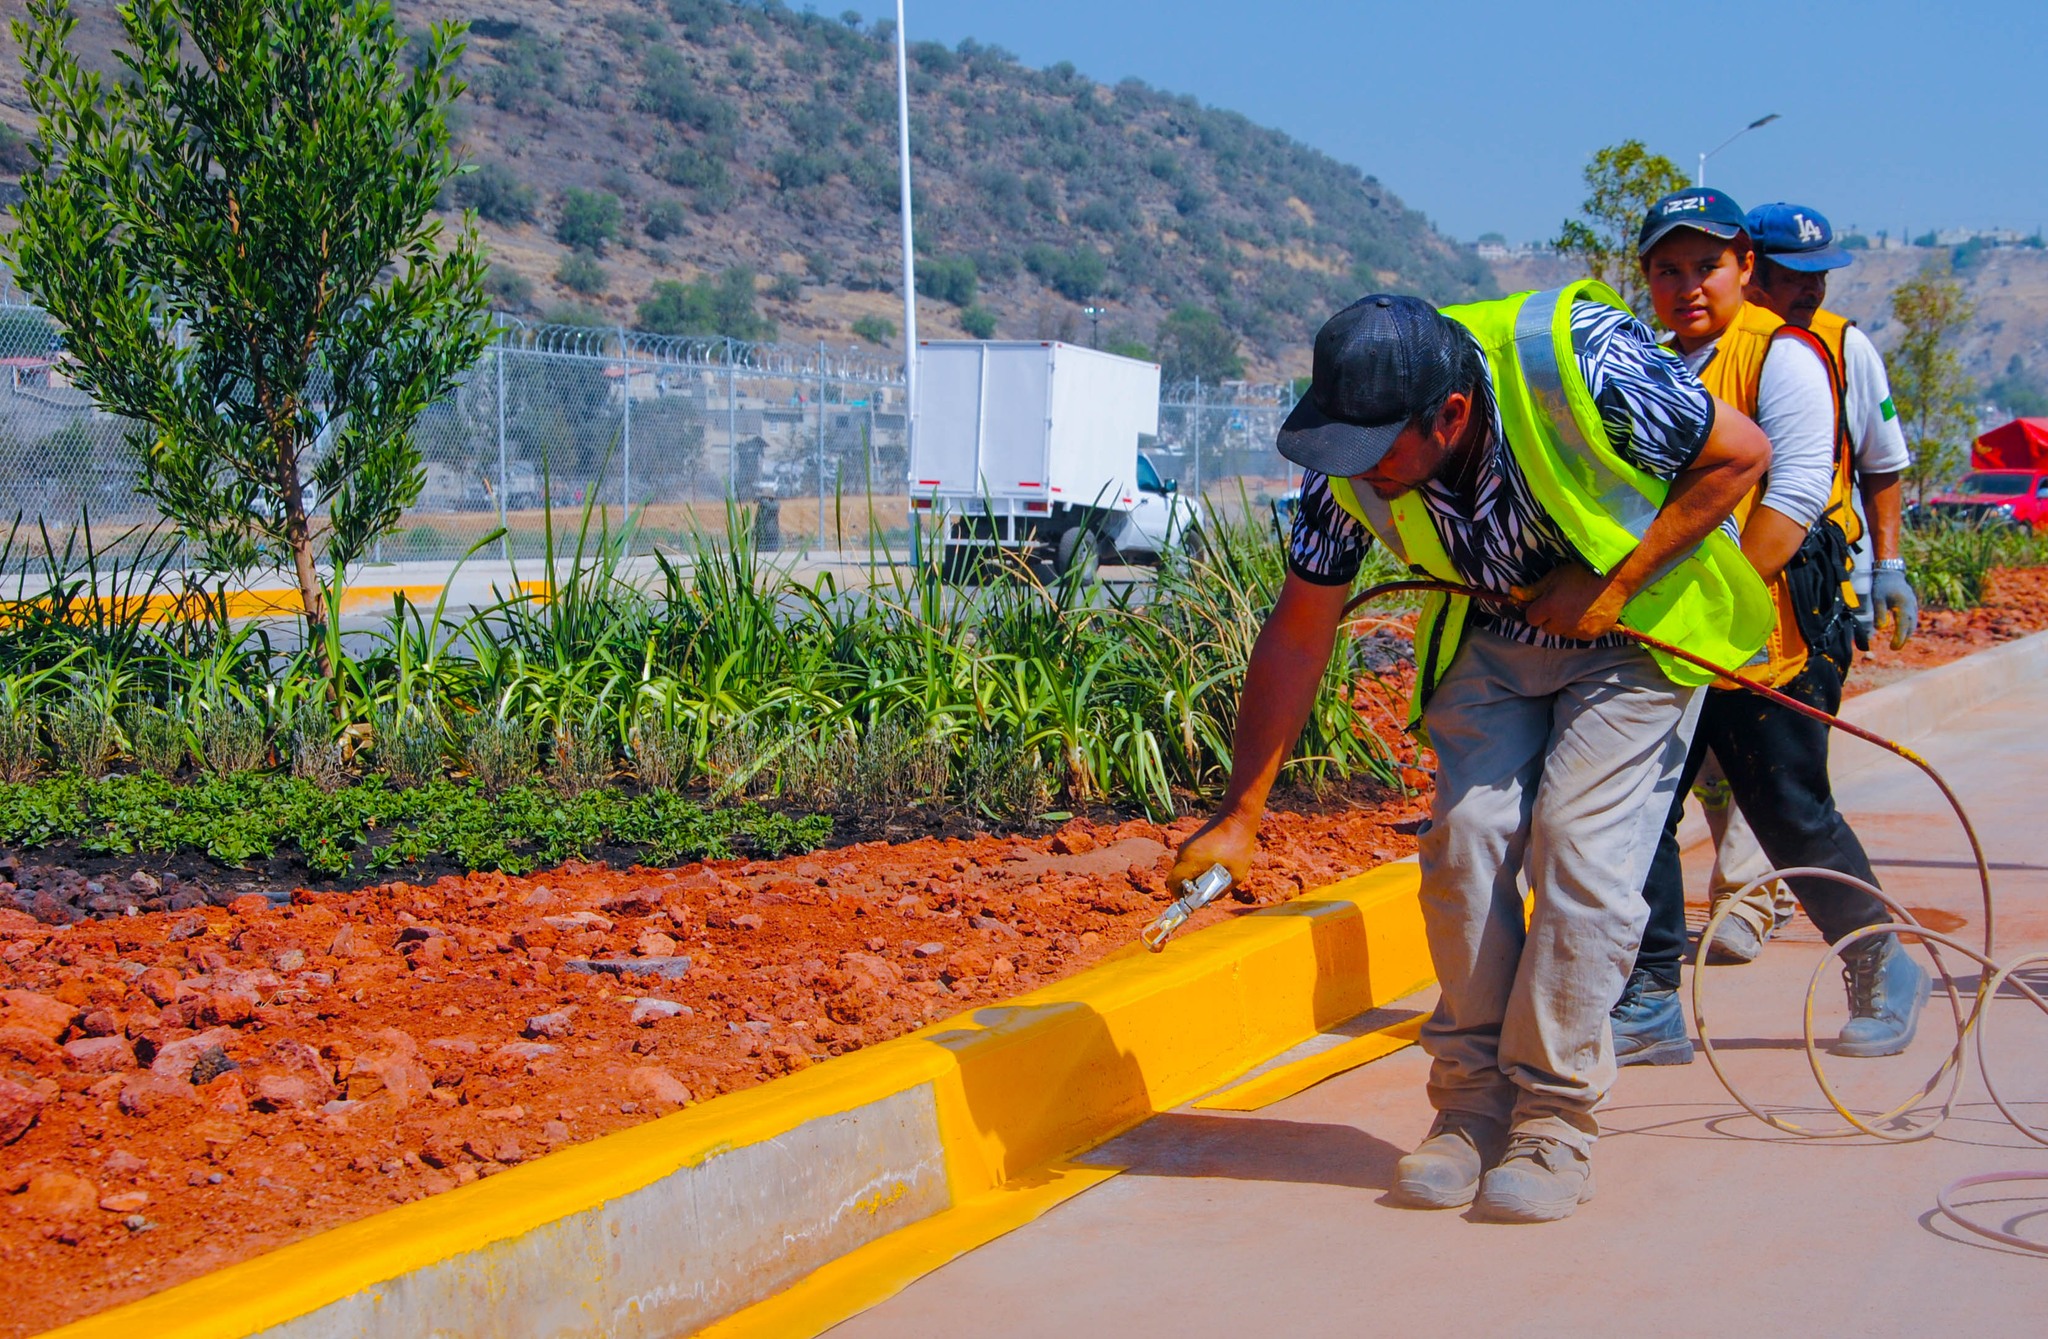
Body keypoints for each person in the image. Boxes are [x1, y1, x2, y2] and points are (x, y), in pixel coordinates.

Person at [1167, 282, 1773, 1222]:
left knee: (1578, 849)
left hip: (1642, 627)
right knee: (1466, 839)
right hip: (1501, 625)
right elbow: (1300, 626)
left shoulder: (1583, 364)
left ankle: (1555, 1120)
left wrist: (1609, 585)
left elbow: (1740, 457)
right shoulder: (1350, 449)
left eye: (1376, 456)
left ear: (1449, 415)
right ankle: (1471, 1107)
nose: (1359, 474)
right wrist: (1241, 813)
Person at [1611, 189, 1930, 1067]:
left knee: (1787, 806)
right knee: (1643, 808)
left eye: (1706, 266)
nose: (1688, 287)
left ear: (1744, 268)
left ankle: (1881, 966)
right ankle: (1648, 997)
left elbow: (1789, 500)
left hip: (1772, 629)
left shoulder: (1783, 357)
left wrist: (1716, 607)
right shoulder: (1647, 363)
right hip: (1668, 636)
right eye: (1667, 270)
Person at [1689, 202, 1922, 964]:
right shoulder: (1698, 352)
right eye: (1793, 277)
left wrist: (1886, 566)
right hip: (1706, 606)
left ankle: (1768, 903)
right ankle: (1719, 920)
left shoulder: (1838, 348)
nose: (1810, 293)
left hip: (1809, 601)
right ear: (1753, 266)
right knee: (1708, 779)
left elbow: (1881, 463)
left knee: (1783, 783)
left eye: (1820, 278)